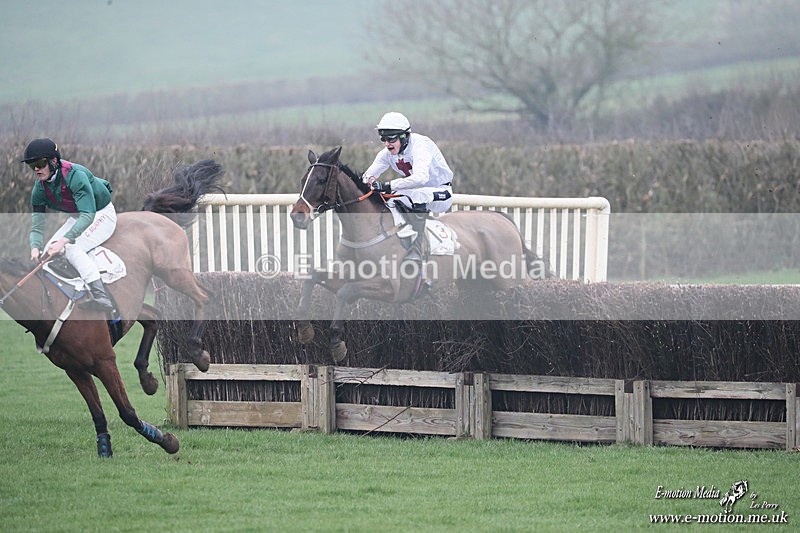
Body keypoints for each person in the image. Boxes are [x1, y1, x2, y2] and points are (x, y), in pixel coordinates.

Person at [22, 138, 117, 313]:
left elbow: (88, 215)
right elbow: (37, 227)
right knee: (47, 253)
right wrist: (35, 248)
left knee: (72, 248)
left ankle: (101, 296)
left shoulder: (75, 176)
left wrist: (63, 241)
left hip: (100, 214)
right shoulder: (39, 189)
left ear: (54, 161)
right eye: (32, 165)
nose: (36, 169)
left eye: (40, 164)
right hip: (78, 216)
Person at [363, 112, 454, 262]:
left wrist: (387, 185)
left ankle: (416, 249)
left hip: (442, 193)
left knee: (414, 194)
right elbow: (367, 177)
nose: (387, 144)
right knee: (388, 198)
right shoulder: (386, 154)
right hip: (416, 193)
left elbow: (421, 178)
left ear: (404, 136)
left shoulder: (421, 145)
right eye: (383, 139)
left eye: (391, 139)